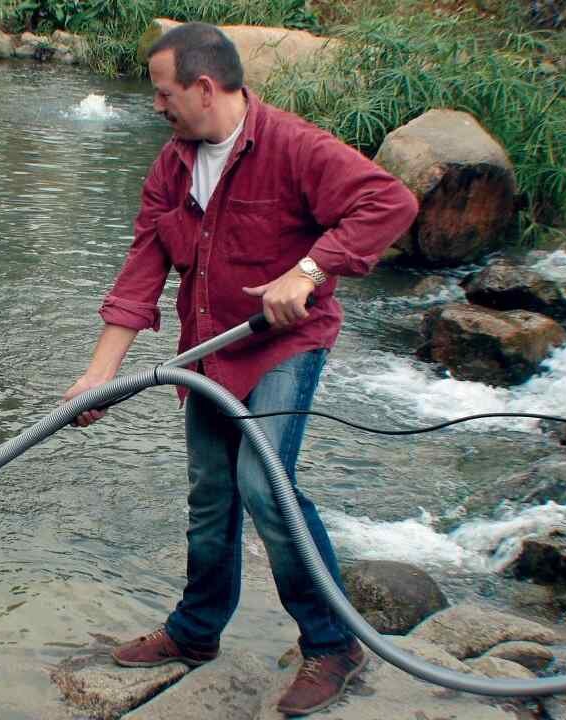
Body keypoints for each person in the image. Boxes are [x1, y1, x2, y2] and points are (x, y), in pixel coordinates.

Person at [61, 22, 419, 718]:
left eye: (164, 93)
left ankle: (332, 644)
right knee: (211, 494)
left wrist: (310, 269)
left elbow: (391, 202)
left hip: (284, 345)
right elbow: (141, 273)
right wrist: (99, 373)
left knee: (265, 485)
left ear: (203, 86)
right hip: (210, 351)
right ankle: (196, 633)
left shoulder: (294, 146)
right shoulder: (171, 166)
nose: (156, 105)